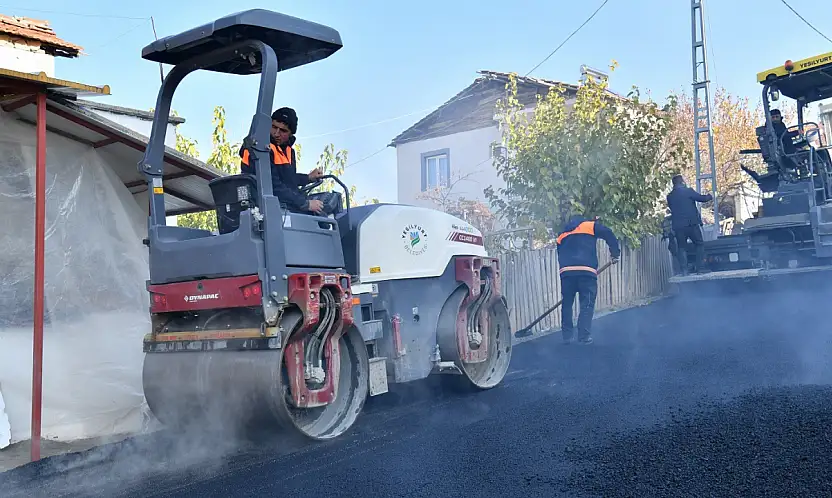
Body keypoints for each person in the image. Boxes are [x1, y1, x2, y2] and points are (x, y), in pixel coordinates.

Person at [239, 107, 326, 214]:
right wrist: (305, 204)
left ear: (291, 134)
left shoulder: (288, 152)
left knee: (324, 212)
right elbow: (273, 185)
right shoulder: (261, 148)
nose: (276, 133)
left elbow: (286, 180)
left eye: (283, 131)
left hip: (285, 206)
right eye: (274, 127)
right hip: (267, 209)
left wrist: (307, 178)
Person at [555, 214, 621, 345]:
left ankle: (567, 336)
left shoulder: (562, 234)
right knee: (587, 302)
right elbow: (608, 233)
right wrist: (615, 253)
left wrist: (567, 269)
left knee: (567, 303)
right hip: (586, 271)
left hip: (567, 273)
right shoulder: (589, 226)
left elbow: (560, 254)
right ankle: (584, 336)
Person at [666, 174, 713, 275]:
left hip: (678, 226)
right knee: (699, 244)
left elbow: (672, 208)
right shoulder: (688, 191)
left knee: (681, 247)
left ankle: (684, 270)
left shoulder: (670, 196)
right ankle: (700, 268)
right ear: (682, 182)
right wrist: (710, 196)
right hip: (692, 224)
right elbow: (702, 198)